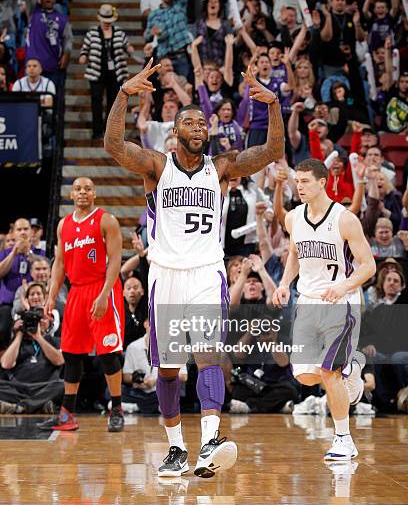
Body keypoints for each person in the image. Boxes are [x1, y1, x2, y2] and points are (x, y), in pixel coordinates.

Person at [104, 60, 284, 478]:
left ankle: (209, 443)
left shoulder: (220, 168)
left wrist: (273, 104)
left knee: (208, 356)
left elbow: (271, 152)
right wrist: (123, 94)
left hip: (205, 271)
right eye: (190, 121)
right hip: (165, 274)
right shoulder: (156, 165)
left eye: (203, 122)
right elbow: (113, 145)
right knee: (167, 367)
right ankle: (175, 449)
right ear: (176, 132)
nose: (199, 126)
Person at [273, 158, 376, 461]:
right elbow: (294, 254)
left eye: (305, 181)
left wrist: (344, 286)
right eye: (297, 181)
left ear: (323, 182)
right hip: (307, 301)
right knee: (305, 375)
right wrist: (284, 284)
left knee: (328, 371)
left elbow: (368, 265)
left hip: (340, 304)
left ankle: (343, 439)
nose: (299, 186)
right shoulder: (293, 218)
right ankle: (352, 370)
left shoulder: (345, 219)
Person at [38, 177, 125, 433]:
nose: (83, 192)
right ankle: (66, 414)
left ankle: (116, 409)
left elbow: (116, 260)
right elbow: (59, 264)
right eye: (78, 189)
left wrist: (104, 294)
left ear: (94, 194)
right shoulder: (63, 225)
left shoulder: (106, 220)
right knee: (72, 354)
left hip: (103, 288)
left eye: (87, 189)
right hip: (76, 292)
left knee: (108, 354)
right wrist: (51, 295)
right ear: (71, 194)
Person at [0, 281, 64, 414]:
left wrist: (39, 337)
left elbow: (60, 361)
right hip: (18, 386)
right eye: (32, 294)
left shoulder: (51, 340)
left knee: (63, 385)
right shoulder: (18, 339)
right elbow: (6, 364)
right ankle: (39, 405)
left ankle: (21, 406)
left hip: (44, 386)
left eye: (38, 294)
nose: (33, 324)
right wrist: (18, 335)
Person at [79, 4, 134, 139]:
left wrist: (131, 49)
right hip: (97, 72)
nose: (106, 23)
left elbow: (127, 47)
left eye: (108, 21)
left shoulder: (119, 32)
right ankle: (97, 131)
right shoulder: (92, 32)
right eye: (104, 20)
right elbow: (85, 49)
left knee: (113, 103)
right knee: (96, 101)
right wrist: (83, 56)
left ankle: (110, 132)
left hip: (115, 73)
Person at [0, 218, 45, 349]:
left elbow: (44, 273)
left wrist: (29, 255)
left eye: (26, 229)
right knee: (3, 329)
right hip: (8, 304)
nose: (23, 232)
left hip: (33, 303)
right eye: (19, 229)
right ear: (13, 233)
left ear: (31, 232)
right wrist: (14, 252)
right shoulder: (4, 253)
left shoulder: (39, 254)